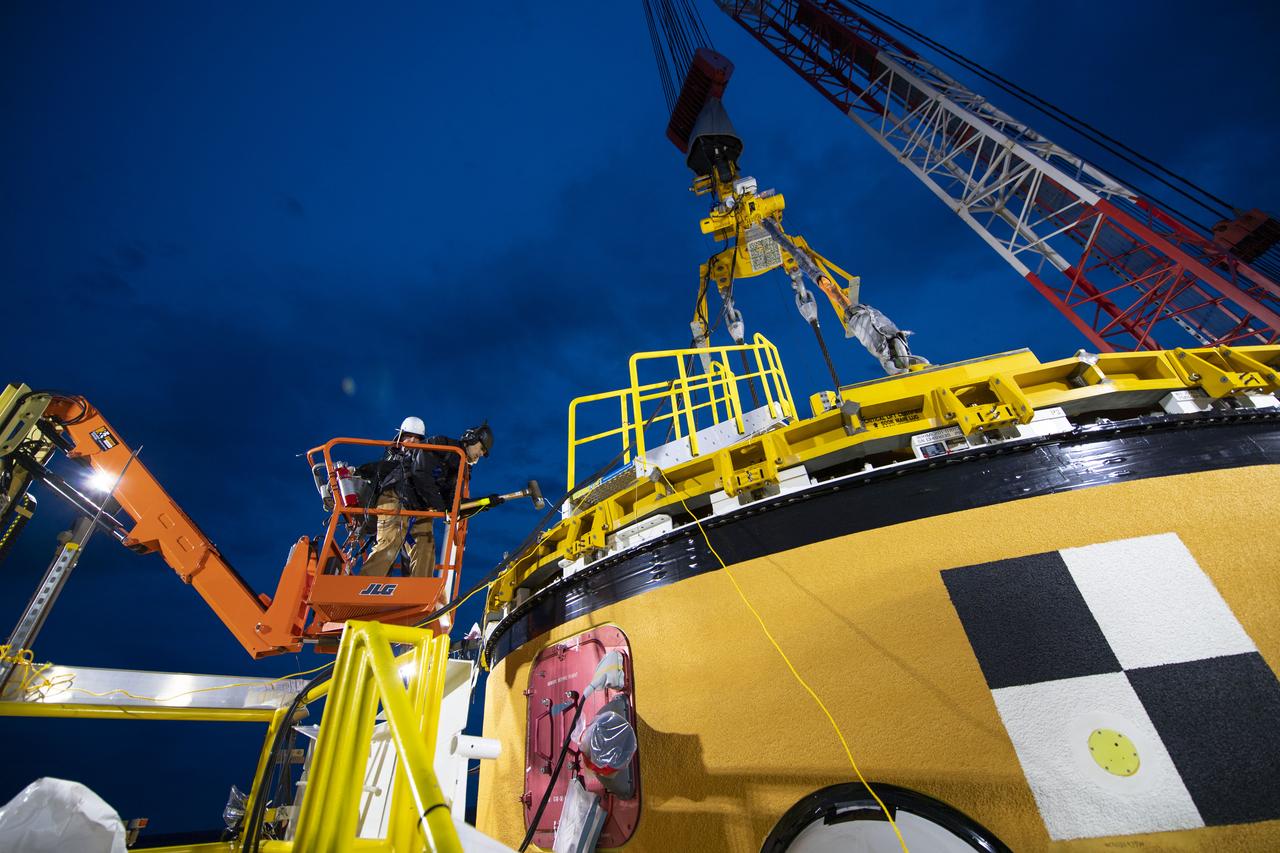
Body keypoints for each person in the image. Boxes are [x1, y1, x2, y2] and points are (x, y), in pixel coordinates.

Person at [360, 418, 493, 578]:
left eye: (485, 452)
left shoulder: (461, 468)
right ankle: (358, 592)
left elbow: (452, 505)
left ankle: (416, 594)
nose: (482, 454)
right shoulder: (441, 445)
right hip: (397, 495)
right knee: (390, 544)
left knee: (425, 547)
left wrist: (484, 503)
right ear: (471, 439)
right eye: (482, 448)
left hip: (419, 505)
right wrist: (439, 505)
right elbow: (420, 473)